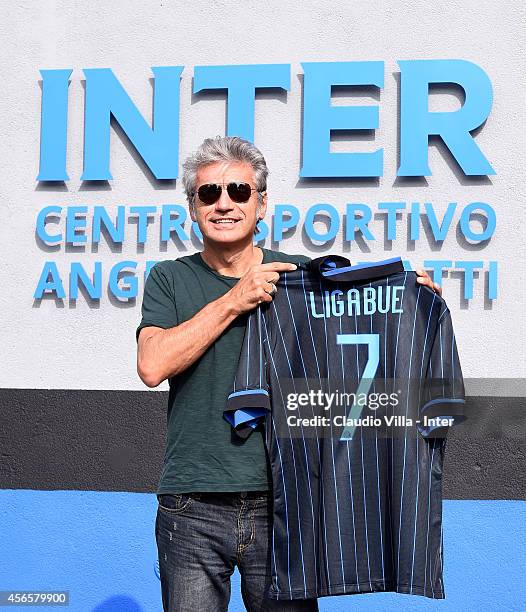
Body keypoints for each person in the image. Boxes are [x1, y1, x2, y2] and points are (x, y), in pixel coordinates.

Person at [136, 136, 441, 612]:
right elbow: (152, 365)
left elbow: (363, 329)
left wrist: (412, 302)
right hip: (192, 503)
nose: (224, 204)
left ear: (261, 205)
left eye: (238, 191)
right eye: (208, 193)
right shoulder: (169, 279)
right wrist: (235, 299)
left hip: (287, 500)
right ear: (191, 209)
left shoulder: (297, 274)